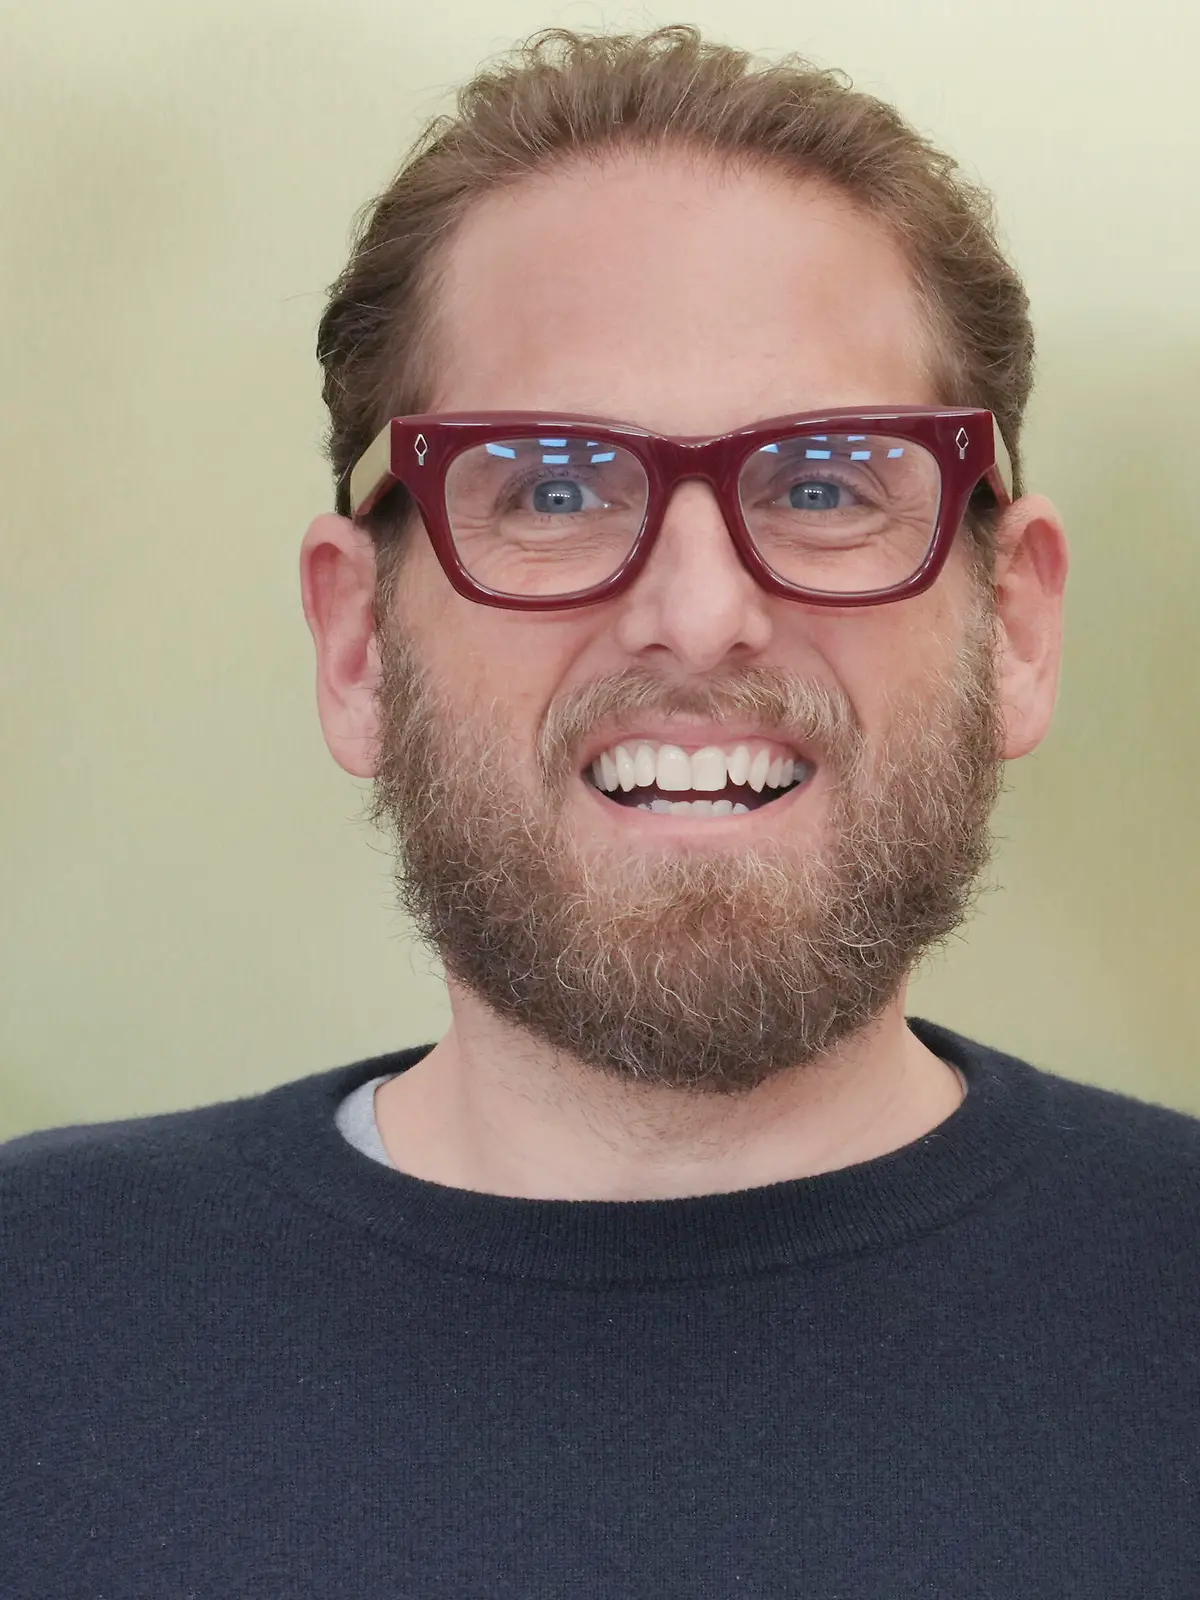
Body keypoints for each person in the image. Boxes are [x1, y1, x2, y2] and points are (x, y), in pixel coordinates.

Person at [3, 24, 1198, 1598]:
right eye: (553, 488)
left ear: (1018, 629)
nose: (699, 614)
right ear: (357, 642)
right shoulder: (40, 1321)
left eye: (828, 481)